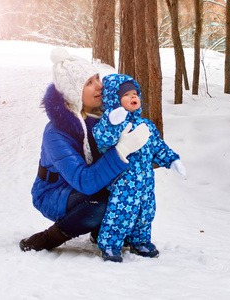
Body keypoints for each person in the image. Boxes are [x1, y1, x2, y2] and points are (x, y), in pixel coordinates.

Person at [19, 49, 150, 252]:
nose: (99, 85)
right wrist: (122, 149)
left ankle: (101, 231)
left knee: (130, 192)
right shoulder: (56, 132)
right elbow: (84, 181)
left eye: (97, 77)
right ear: (74, 93)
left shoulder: (108, 116)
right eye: (88, 83)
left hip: (93, 185)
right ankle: (49, 238)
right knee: (103, 203)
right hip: (54, 194)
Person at [92, 74, 186, 262]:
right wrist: (112, 121)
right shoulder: (110, 125)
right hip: (123, 183)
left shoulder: (146, 125)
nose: (133, 97)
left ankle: (140, 241)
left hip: (146, 182)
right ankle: (110, 245)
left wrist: (172, 160)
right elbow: (102, 139)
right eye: (126, 95)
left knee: (146, 212)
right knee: (120, 213)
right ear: (114, 99)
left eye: (135, 93)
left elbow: (157, 146)